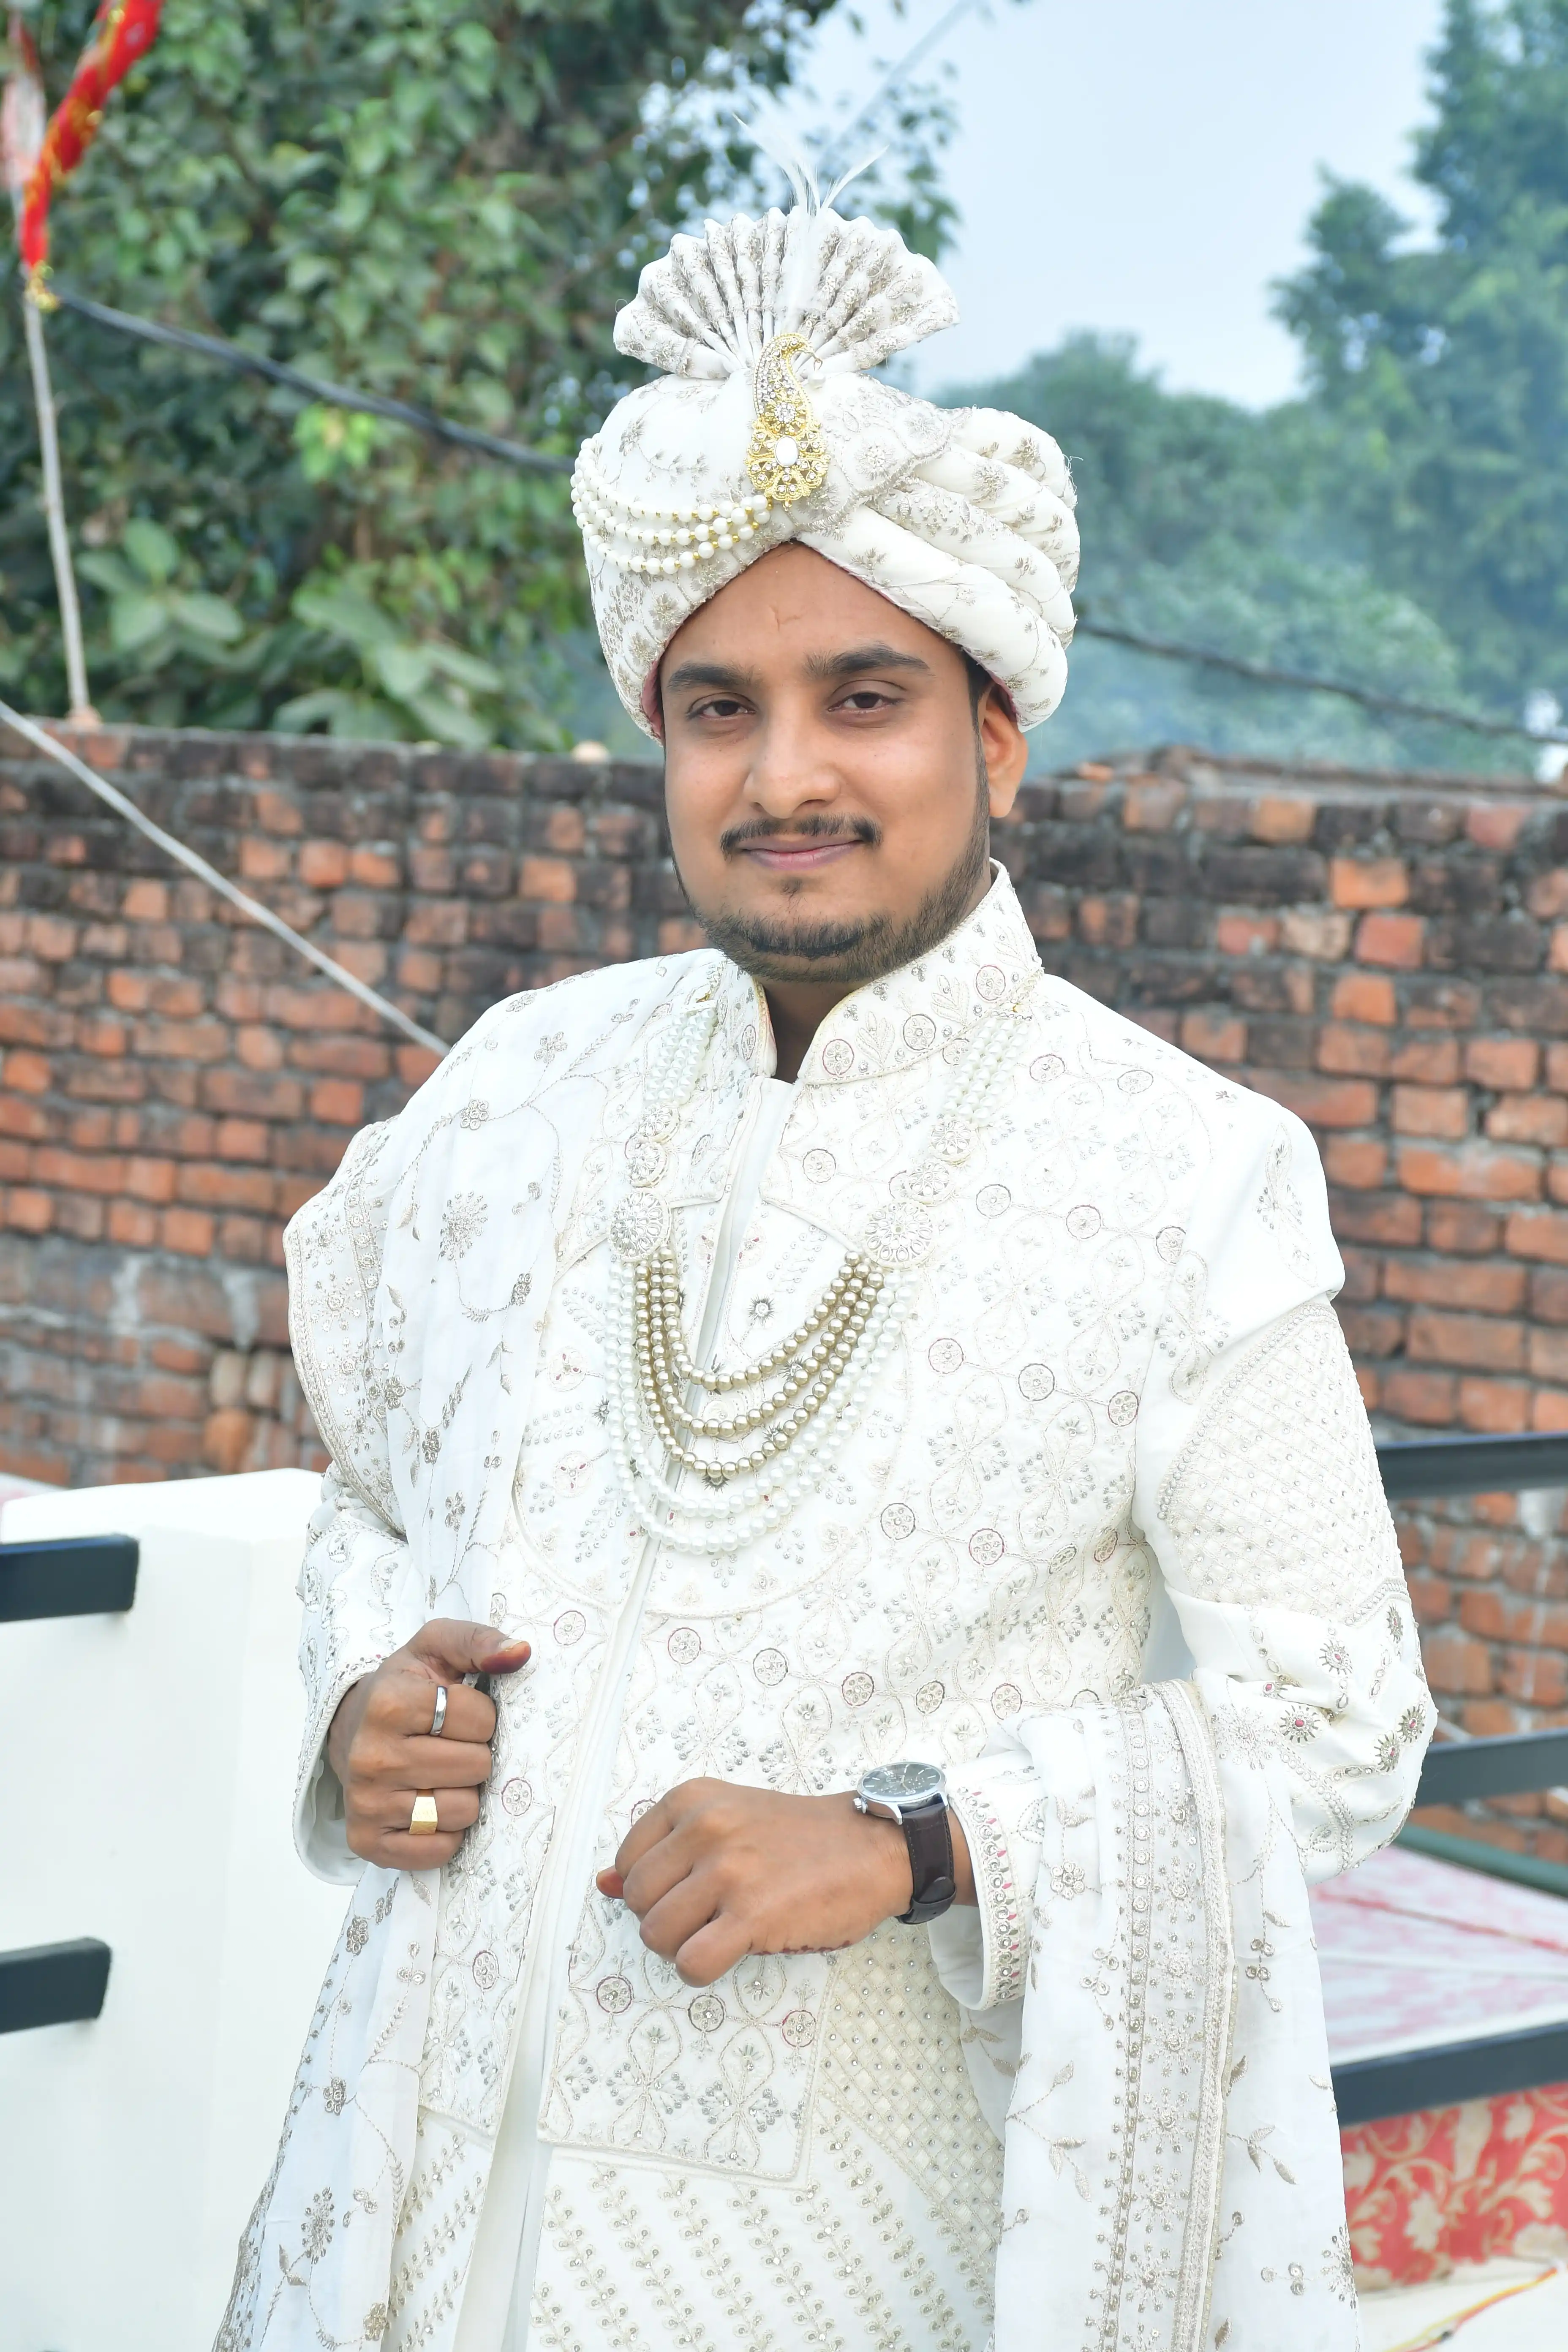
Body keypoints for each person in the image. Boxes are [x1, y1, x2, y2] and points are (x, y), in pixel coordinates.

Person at [220, 194, 1429, 2352]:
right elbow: (377, 1504)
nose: (783, 777)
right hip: (402, 2183)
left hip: (834, 2246)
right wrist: (358, 1691)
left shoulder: (1178, 1174)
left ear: (995, 738)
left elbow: (1338, 1720)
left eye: (861, 697)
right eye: (717, 708)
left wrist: (918, 1837)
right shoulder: (520, 1090)